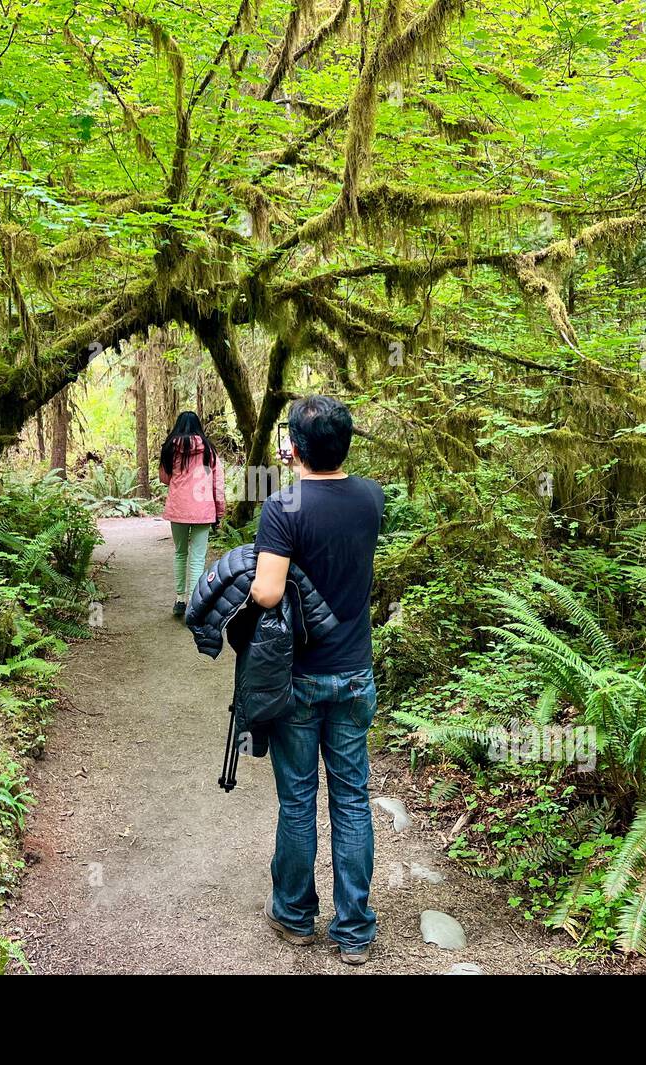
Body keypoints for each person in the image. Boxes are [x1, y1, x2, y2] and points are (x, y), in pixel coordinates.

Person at [249, 395, 385, 965]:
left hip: (298, 679)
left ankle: (294, 915)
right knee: (352, 799)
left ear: (295, 447)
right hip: (354, 672)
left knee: (298, 798)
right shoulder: (372, 497)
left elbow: (267, 592)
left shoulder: (284, 506)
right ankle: (354, 930)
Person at [159, 411, 225, 617]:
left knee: (180, 553)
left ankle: (180, 599)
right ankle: (194, 605)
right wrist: (220, 511)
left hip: (178, 508)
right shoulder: (209, 451)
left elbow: (164, 478)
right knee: (198, 557)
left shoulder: (169, 448)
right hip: (203, 509)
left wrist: (181, 481)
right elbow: (218, 485)